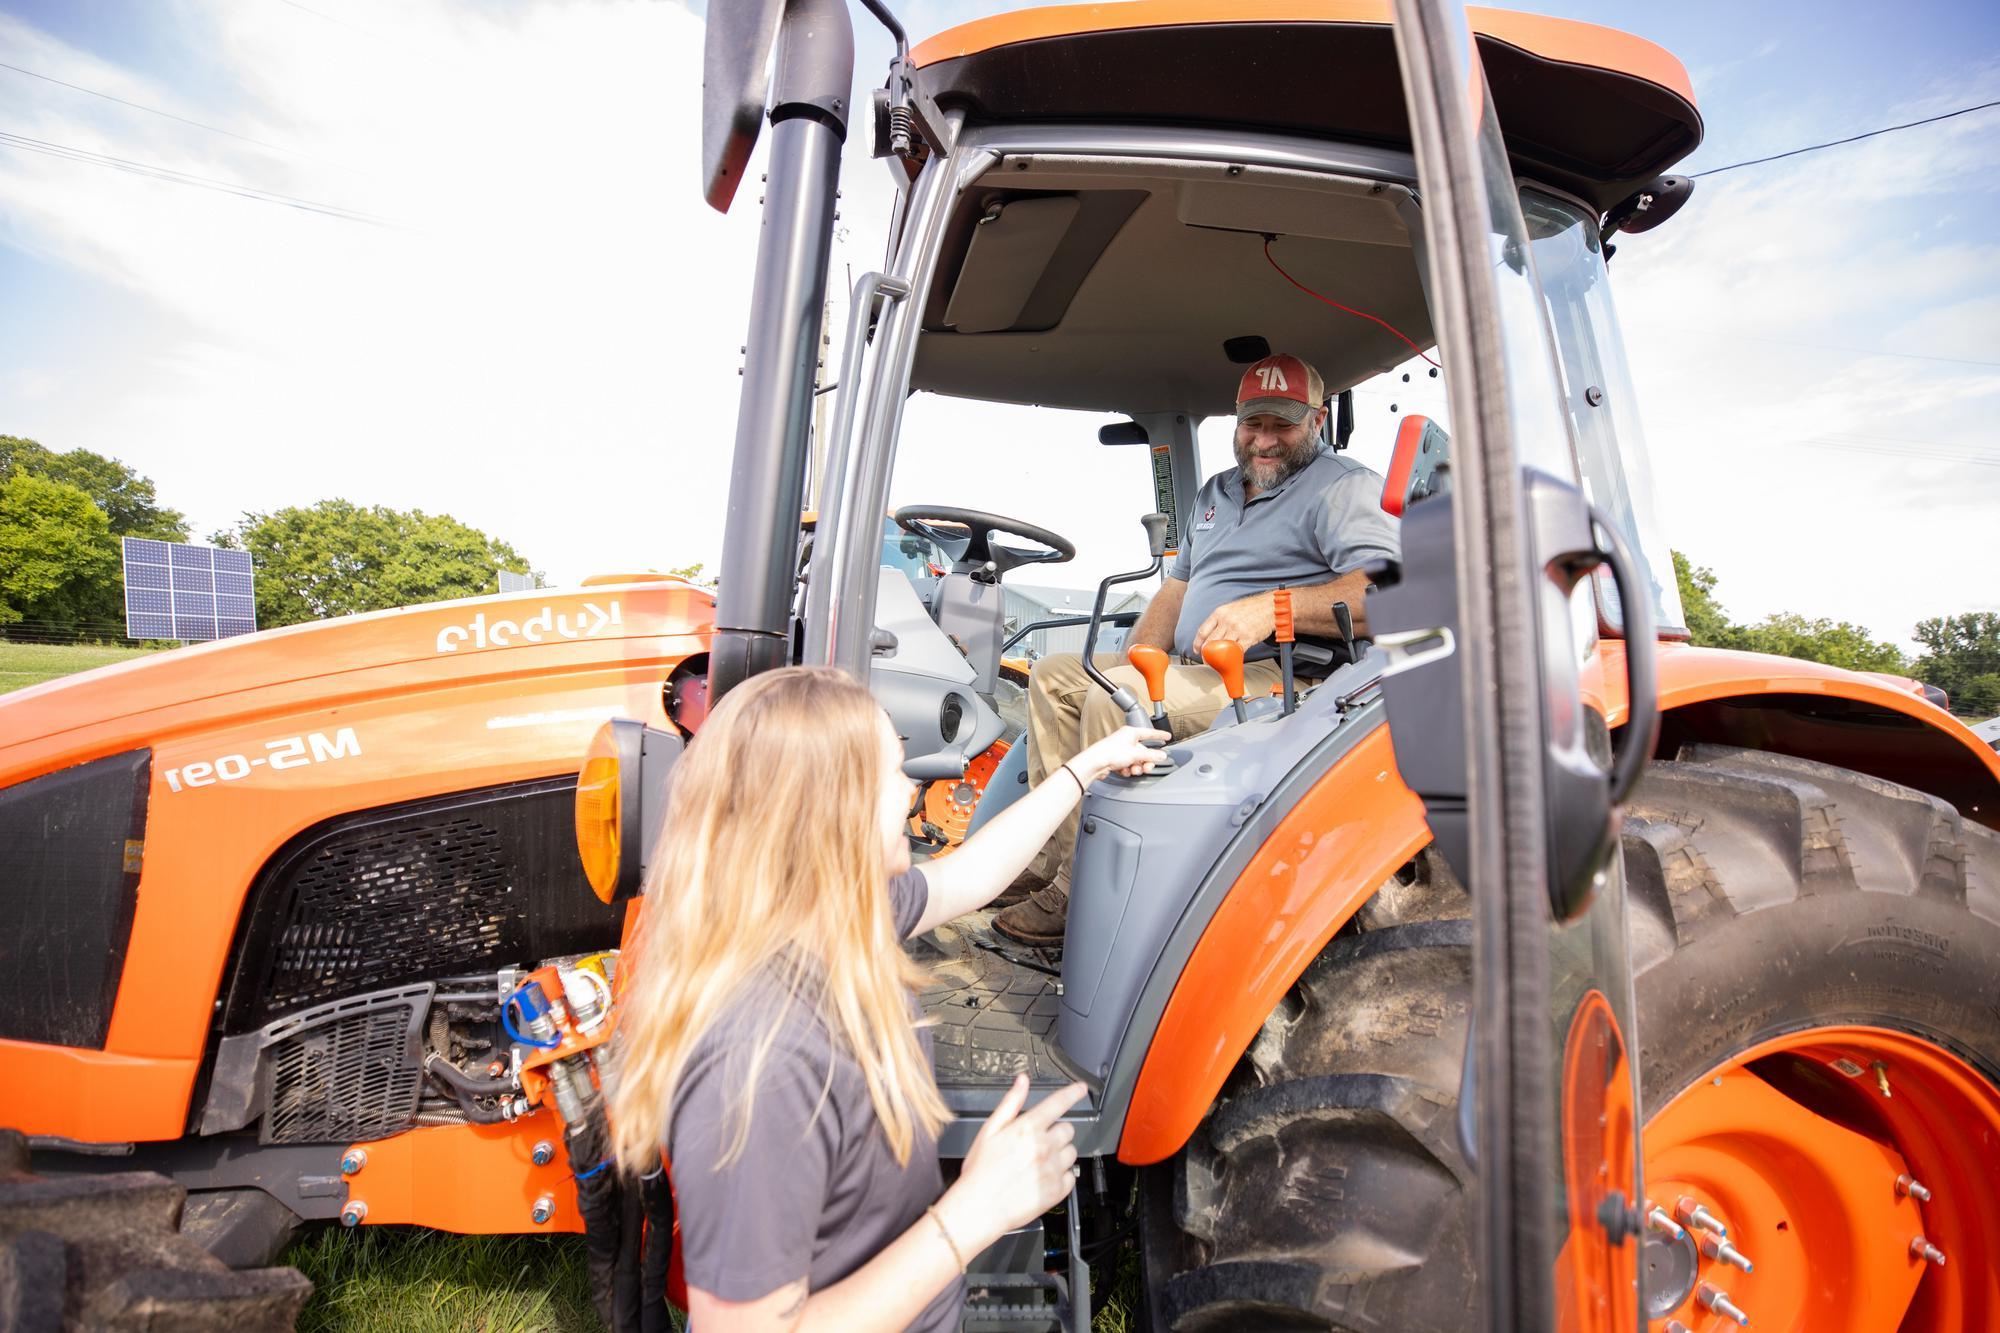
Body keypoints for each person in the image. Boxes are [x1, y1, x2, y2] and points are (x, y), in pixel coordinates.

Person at [607, 666, 1166, 1332]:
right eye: (893, 772)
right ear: (827, 806)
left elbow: (973, 874)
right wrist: (974, 1212)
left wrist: (1088, 767)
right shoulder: (759, 1060)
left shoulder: (840, 915)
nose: (910, 792)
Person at [994, 352, 1401, 947]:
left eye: (1282, 424)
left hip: (1284, 677)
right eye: (1252, 423)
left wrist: (1272, 608)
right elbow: (1178, 587)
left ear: (1316, 420)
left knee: (1121, 702)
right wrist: (1142, 651)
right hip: (1195, 667)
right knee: (1055, 674)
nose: (1264, 440)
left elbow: (1382, 590)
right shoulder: (1215, 493)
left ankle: (1084, 897)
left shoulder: (1343, 490)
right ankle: (1049, 858)